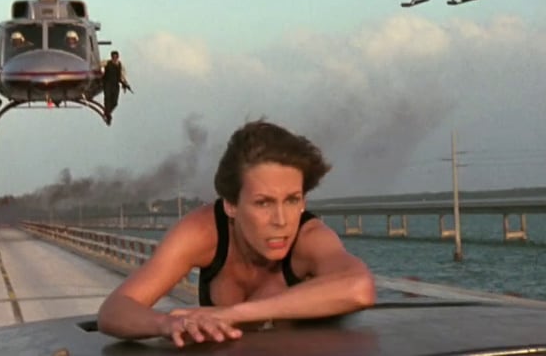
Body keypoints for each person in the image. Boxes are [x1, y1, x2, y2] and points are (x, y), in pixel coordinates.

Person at [96, 119, 376, 347]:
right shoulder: (202, 232)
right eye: (263, 203)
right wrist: (167, 323)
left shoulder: (310, 237)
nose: (281, 221)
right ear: (231, 204)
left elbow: (359, 287)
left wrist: (231, 314)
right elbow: (114, 311)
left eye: (292, 200)